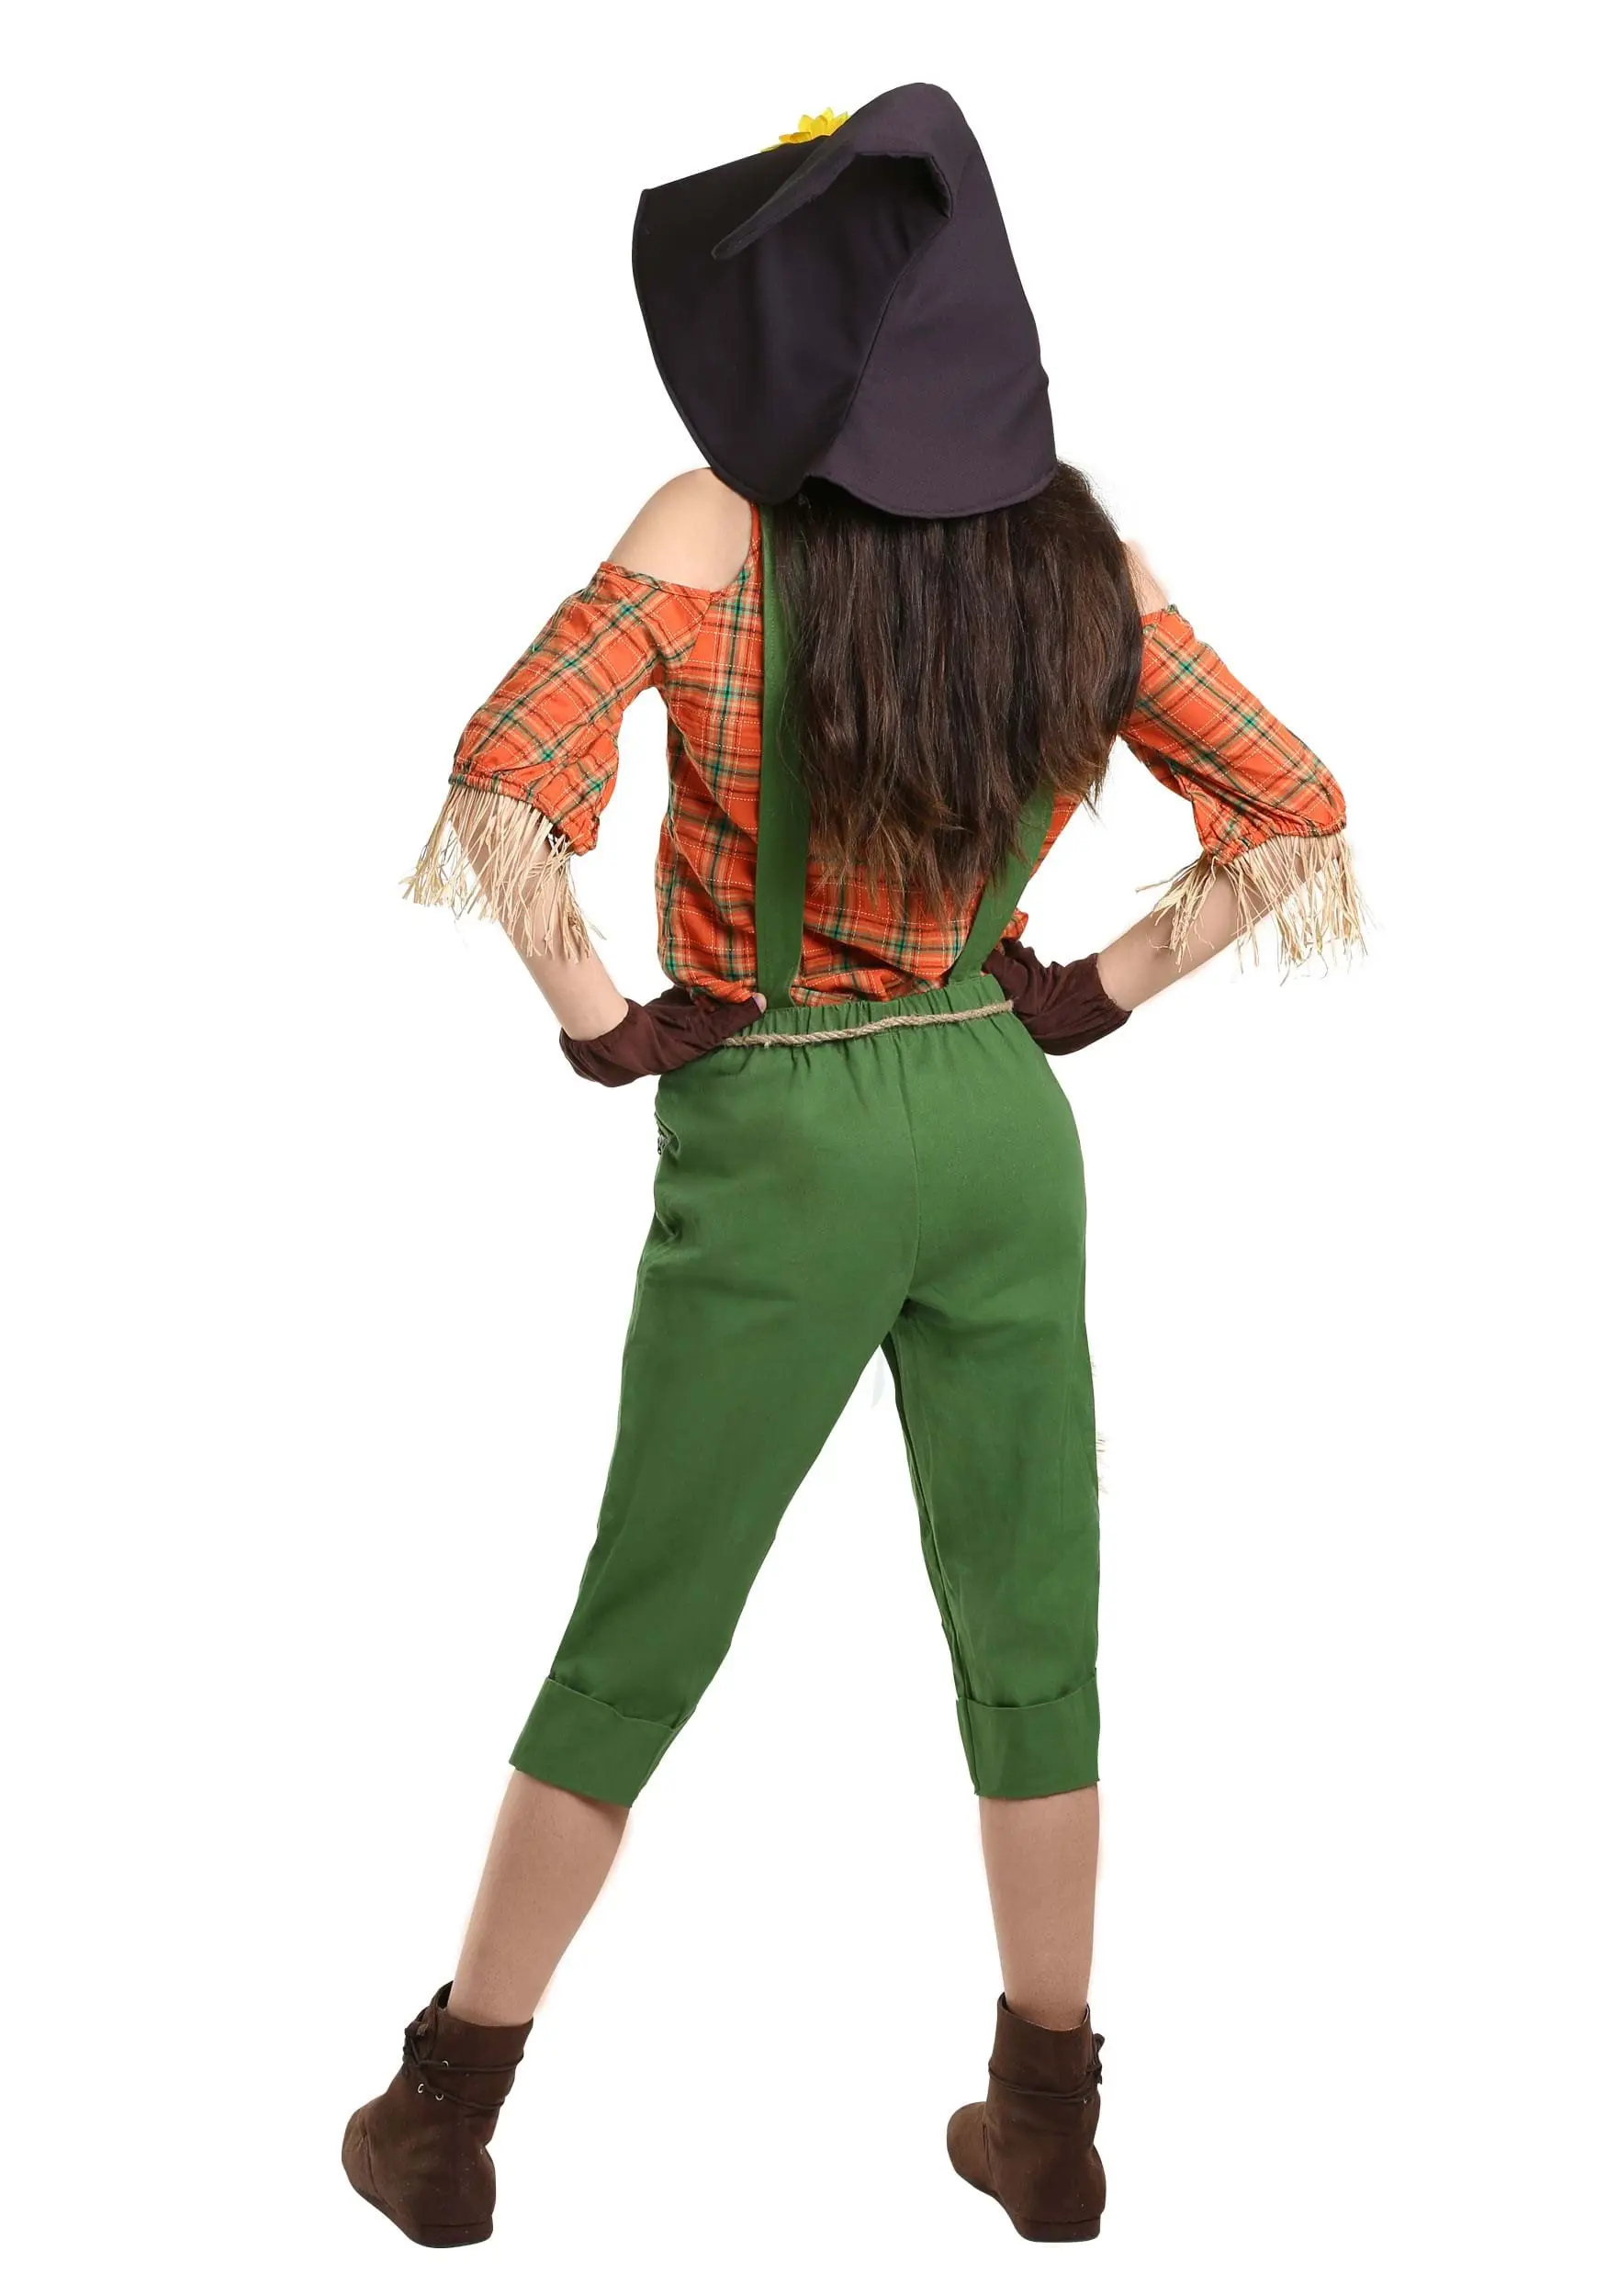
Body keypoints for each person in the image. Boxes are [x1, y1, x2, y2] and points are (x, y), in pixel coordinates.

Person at [343, 84, 1363, 2250]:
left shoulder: (711, 529)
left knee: (643, 1618)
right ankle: (1049, 2115)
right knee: (1033, 1624)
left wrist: (596, 1016)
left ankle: (446, 2107)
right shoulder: (1081, 559)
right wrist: (1089, 992)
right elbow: (1290, 807)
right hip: (999, 1126)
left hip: (780, 1122)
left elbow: (504, 776)